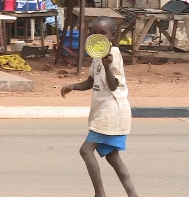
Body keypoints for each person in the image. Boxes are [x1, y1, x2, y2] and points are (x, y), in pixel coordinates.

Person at [61, 16, 139, 197]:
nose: (99, 37)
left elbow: (113, 85)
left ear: (111, 35)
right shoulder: (97, 56)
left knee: (86, 150)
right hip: (104, 111)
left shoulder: (114, 54)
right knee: (113, 158)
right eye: (94, 33)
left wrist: (107, 66)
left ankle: (99, 194)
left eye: (103, 33)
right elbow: (91, 81)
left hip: (111, 111)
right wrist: (72, 86)